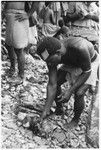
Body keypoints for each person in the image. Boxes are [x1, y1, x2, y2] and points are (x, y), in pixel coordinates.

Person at [37, 36, 99, 128]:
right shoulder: (50, 55)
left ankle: (76, 119)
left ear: (58, 53)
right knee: (57, 82)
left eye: (50, 62)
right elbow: (52, 84)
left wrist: (69, 91)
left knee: (79, 92)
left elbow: (87, 71)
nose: (49, 64)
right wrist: (46, 110)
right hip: (72, 62)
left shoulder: (79, 47)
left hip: (89, 64)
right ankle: (59, 109)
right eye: (47, 62)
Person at [4, 2, 35, 81]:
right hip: (9, 17)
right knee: (8, 45)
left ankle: (21, 75)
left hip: (18, 17)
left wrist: (28, 14)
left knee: (18, 49)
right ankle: (12, 68)